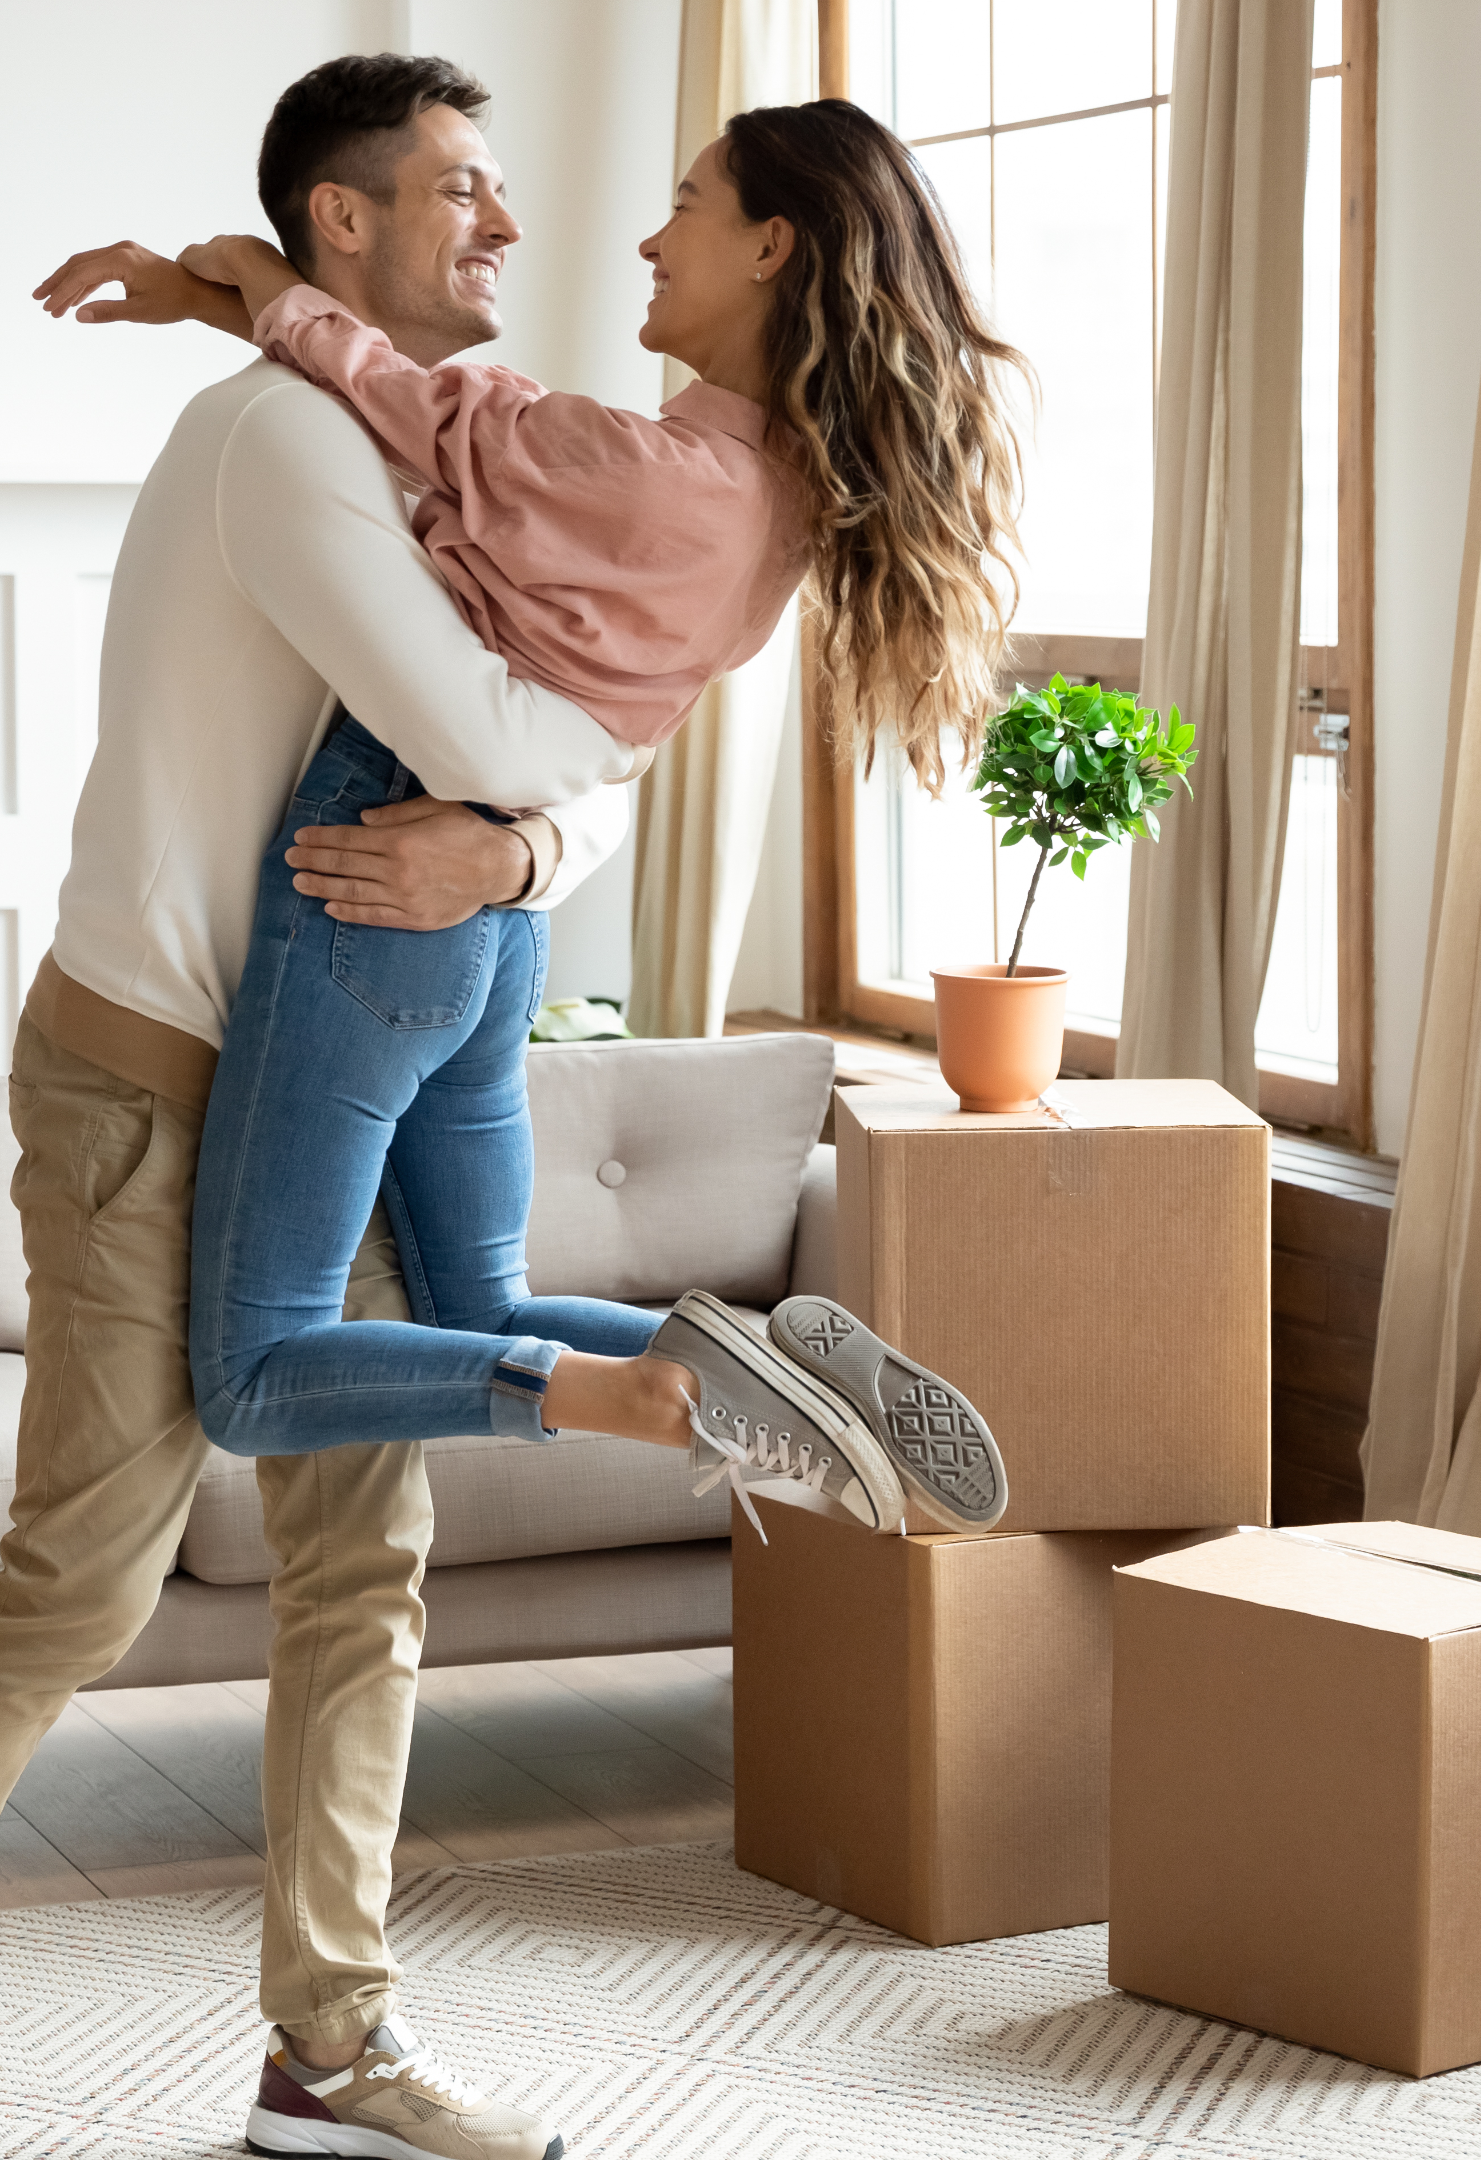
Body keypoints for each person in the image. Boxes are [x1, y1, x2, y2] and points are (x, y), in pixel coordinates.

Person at [0, 55, 673, 2160]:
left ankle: (326, 2052)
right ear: (341, 227)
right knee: (83, 1574)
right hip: (153, 1086)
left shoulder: (415, 449)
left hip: (330, 1081)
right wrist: (534, 819)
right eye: (457, 190)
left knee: (368, 1561)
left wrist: (523, 854)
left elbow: (581, 750)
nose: (507, 229)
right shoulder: (279, 442)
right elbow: (496, 732)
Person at [130, 99, 1031, 1564]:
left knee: (252, 1373)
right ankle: (778, 1363)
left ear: (771, 246)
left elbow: (407, 399)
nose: (646, 237)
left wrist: (253, 277)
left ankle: (631, 1391)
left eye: (686, 204)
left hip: (377, 873)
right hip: (500, 920)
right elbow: (595, 745)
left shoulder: (627, 464)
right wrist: (237, 289)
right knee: (477, 1297)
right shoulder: (781, 506)